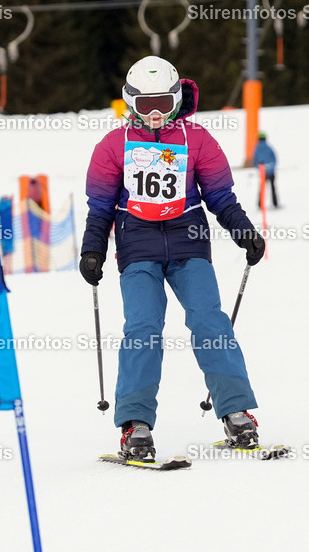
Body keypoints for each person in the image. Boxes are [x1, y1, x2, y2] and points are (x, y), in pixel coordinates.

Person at [79, 55, 266, 460]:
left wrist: (243, 231)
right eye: (146, 106)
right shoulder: (114, 145)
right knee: (143, 327)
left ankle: (236, 412)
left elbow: (220, 196)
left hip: (188, 237)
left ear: (178, 97)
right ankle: (135, 423)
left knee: (208, 319)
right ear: (131, 103)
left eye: (165, 102)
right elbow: (101, 207)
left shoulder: (197, 139)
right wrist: (92, 250)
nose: (156, 114)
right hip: (137, 241)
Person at [251, 133, 278, 209]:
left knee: (262, 189)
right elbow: (274, 158)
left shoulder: (256, 149)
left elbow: (255, 160)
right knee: (273, 188)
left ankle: (260, 204)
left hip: (262, 172)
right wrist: (272, 167)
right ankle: (275, 203)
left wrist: (259, 168)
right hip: (271, 171)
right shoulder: (269, 147)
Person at [0, 195, 15, 274]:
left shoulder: (2, 206)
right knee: (7, 251)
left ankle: (7, 269)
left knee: (6, 251)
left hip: (5, 231)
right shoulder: (6, 206)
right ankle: (7, 269)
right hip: (6, 231)